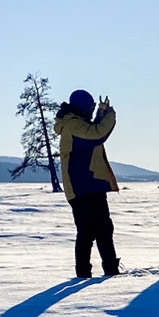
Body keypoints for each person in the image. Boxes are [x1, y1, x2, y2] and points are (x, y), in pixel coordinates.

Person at [54, 89, 120, 278]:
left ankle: (110, 269)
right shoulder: (73, 125)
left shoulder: (76, 123)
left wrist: (101, 114)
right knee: (88, 232)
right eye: (90, 108)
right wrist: (109, 115)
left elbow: (93, 130)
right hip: (82, 188)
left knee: (103, 230)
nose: (91, 111)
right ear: (82, 107)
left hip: (91, 185)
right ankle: (84, 274)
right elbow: (97, 134)